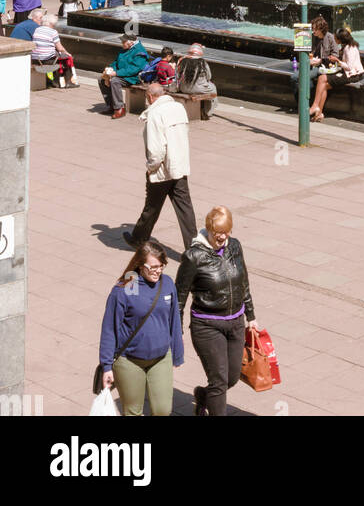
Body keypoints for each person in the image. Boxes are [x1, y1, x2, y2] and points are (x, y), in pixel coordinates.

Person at [176, 205, 258, 417]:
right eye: (216, 233)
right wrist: (175, 330)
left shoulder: (235, 247)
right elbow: (180, 296)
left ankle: (204, 396)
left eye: (225, 232)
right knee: (219, 381)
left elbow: (243, 282)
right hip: (207, 325)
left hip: (236, 323)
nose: (221, 237)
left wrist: (251, 315)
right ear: (208, 230)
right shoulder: (193, 256)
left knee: (231, 377)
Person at [98, 238, 183, 417]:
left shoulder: (166, 284)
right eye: (153, 267)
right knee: (133, 412)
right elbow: (109, 329)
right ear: (140, 265)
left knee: (163, 410)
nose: (157, 271)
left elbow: (174, 319)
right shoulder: (127, 288)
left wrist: (177, 353)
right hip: (129, 361)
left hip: (161, 358)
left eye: (161, 266)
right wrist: (106, 366)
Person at [122, 82, 198, 250]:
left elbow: (156, 150)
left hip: (162, 170)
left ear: (150, 96)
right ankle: (194, 249)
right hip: (179, 167)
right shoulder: (178, 108)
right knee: (185, 210)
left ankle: (138, 239)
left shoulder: (155, 114)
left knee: (152, 207)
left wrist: (151, 167)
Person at [309, 25, 364, 120]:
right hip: (348, 73)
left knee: (322, 78)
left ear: (341, 39)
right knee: (323, 85)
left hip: (353, 75)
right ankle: (319, 113)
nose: (334, 39)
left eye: (335, 38)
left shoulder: (349, 49)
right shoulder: (347, 46)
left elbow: (349, 67)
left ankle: (315, 106)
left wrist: (337, 61)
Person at [98, 34, 151, 118]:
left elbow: (134, 69)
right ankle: (111, 105)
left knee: (115, 81)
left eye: (124, 42)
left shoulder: (140, 52)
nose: (122, 43)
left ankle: (119, 108)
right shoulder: (124, 49)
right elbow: (116, 62)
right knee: (101, 79)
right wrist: (109, 70)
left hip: (133, 77)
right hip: (122, 74)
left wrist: (116, 73)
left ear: (131, 42)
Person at [29, 11, 79, 87]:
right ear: (51, 23)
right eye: (54, 24)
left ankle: (52, 81)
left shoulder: (37, 29)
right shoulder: (53, 32)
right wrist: (68, 53)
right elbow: (60, 48)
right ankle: (68, 82)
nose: (55, 25)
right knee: (67, 58)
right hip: (47, 60)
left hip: (36, 58)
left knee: (55, 55)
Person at [175, 43, 217, 119]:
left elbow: (177, 75)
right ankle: (207, 112)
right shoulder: (203, 63)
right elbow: (209, 77)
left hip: (183, 88)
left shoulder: (183, 61)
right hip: (198, 89)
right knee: (213, 88)